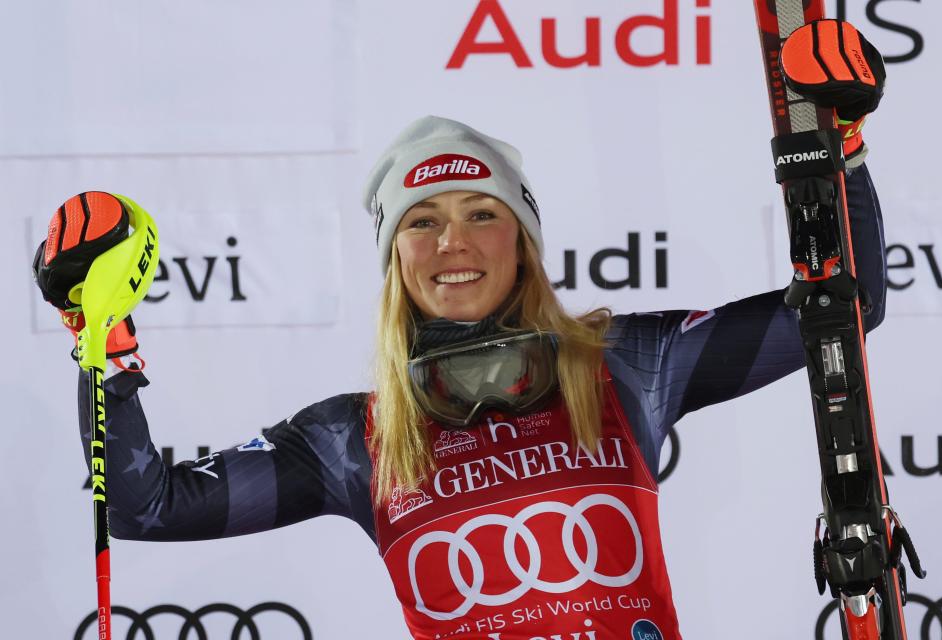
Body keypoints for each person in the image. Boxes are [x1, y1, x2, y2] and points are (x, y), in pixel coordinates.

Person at [33, 21, 888, 640]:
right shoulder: (351, 439)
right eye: (422, 221)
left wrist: (836, 152)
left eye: (483, 212)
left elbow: (839, 318)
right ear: (394, 255)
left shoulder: (624, 366)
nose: (453, 242)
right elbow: (144, 506)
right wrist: (99, 333)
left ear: (522, 240)